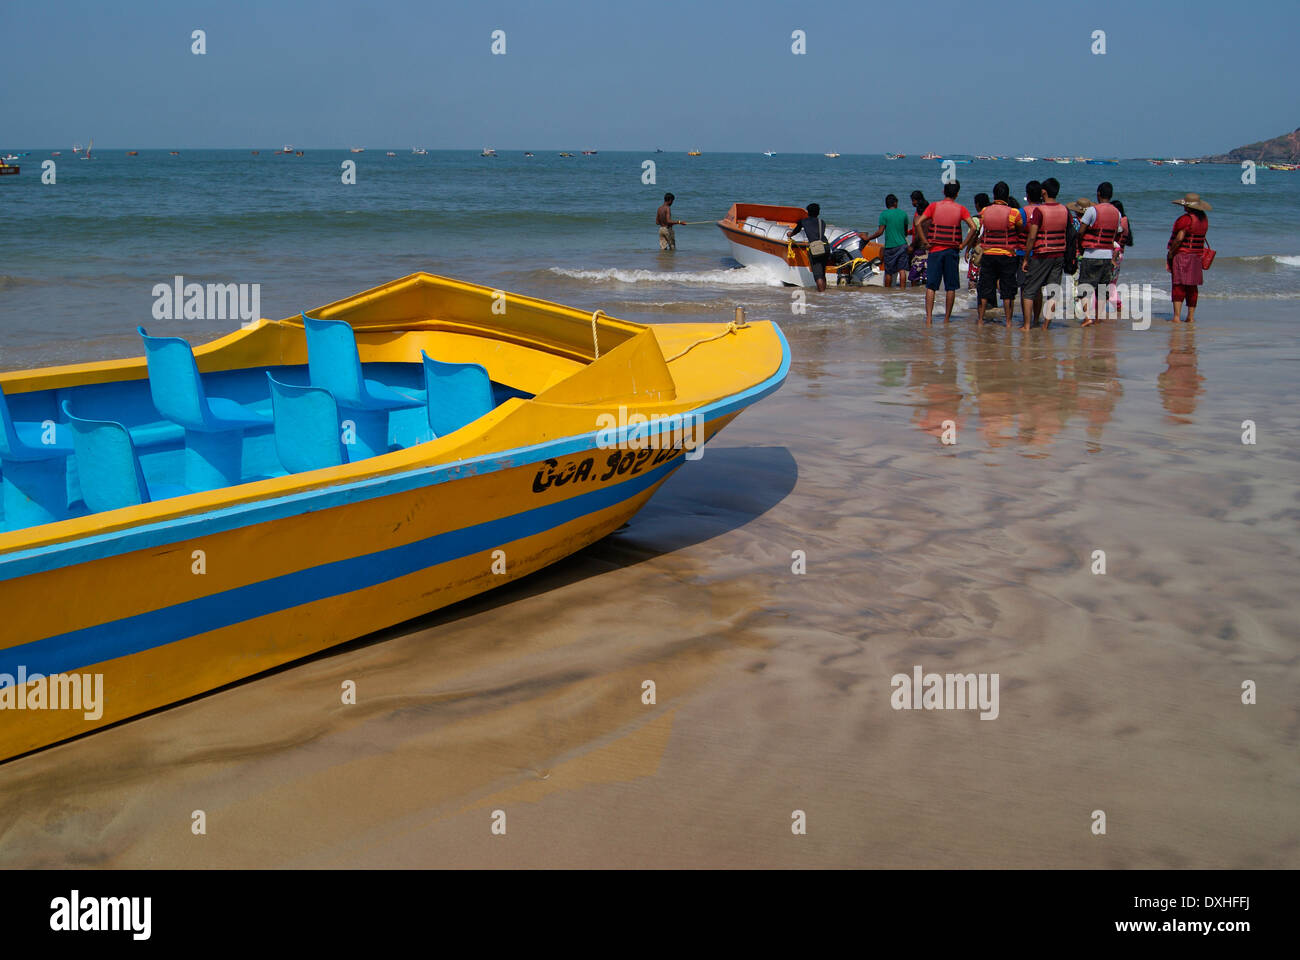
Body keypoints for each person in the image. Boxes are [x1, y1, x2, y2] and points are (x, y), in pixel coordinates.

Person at [915, 181, 978, 325]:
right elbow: (973, 227)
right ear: (957, 193)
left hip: (935, 250)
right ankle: (946, 319)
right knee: (950, 286)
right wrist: (963, 244)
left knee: (931, 286)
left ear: (943, 191)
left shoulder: (934, 206)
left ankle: (929, 318)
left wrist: (925, 241)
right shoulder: (961, 209)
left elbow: (918, 223)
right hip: (952, 251)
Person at [1020, 177, 1072, 330]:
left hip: (1041, 254)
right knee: (1053, 291)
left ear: (1043, 192)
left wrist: (1025, 258)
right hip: (1059, 254)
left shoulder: (1039, 211)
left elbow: (1032, 236)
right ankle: (1045, 326)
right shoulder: (1065, 210)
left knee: (1029, 291)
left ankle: (1027, 325)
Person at [976, 181, 1023, 326]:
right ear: (1007, 196)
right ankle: (1008, 321)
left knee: (985, 287)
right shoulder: (1013, 213)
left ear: (994, 195)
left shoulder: (984, 211)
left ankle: (980, 319)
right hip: (1007, 255)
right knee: (1007, 290)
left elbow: (982, 228)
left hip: (988, 254)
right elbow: (1020, 229)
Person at [1076, 182, 1123, 325]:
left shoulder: (1092, 211)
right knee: (1102, 289)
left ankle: (1087, 317)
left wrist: (1080, 246)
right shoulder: (1117, 213)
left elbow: (1081, 231)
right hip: (1107, 256)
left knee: (1084, 287)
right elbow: (1118, 233)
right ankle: (1098, 317)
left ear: (1098, 194)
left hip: (1091, 254)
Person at [1167, 192, 1211, 323]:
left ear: (1187, 206)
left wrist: (1170, 252)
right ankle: (1190, 317)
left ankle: (1176, 317)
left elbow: (1179, 238)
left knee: (1178, 285)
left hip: (1183, 255)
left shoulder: (1186, 219)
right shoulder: (1204, 219)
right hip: (1197, 256)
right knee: (1192, 287)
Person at [863, 194, 911, 287]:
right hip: (902, 245)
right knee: (902, 270)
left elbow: (880, 232)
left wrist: (868, 238)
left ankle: (887, 291)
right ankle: (902, 291)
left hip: (890, 247)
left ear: (887, 204)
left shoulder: (884, 214)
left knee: (889, 272)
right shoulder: (903, 214)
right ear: (895, 203)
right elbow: (905, 232)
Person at [785, 202, 831, 292]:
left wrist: (791, 234)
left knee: (818, 275)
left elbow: (796, 230)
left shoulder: (804, 221)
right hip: (826, 246)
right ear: (818, 213)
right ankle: (824, 294)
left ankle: (822, 296)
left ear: (808, 212)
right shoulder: (822, 222)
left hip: (816, 248)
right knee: (822, 273)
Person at [967, 193, 991, 297]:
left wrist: (967, 250)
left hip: (977, 251)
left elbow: (971, 236)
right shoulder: (991, 217)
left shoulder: (976, 219)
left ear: (977, 204)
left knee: (973, 278)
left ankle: (973, 300)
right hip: (990, 250)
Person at [907, 191, 929, 287]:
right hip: (928, 246)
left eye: (912, 201)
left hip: (918, 245)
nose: (912, 203)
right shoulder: (929, 214)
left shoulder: (918, 215)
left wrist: (912, 245)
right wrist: (909, 232)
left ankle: (913, 294)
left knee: (914, 273)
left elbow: (919, 231)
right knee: (926, 274)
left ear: (916, 201)